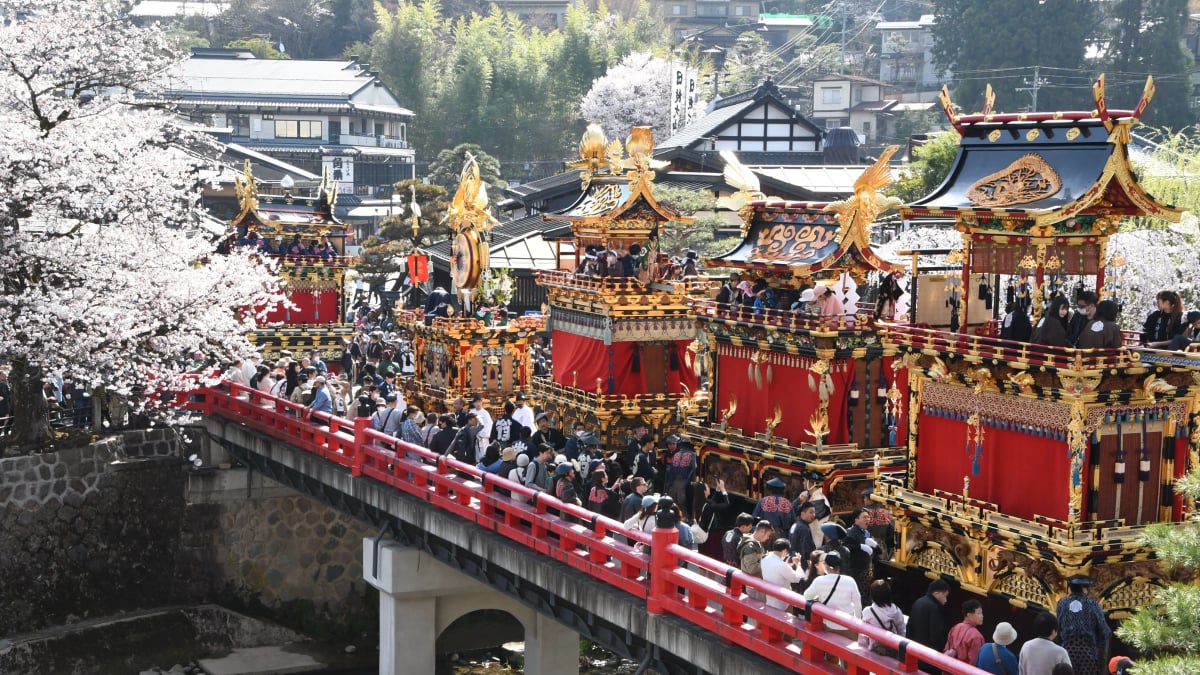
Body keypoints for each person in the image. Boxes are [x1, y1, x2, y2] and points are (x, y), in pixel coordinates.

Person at [1056, 576, 1111, 675]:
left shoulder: (1062, 603)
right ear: (1084, 589)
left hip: (1067, 654)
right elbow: (1104, 632)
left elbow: (1057, 631)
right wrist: (1101, 662)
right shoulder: (1093, 604)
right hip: (1088, 655)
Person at [800, 552, 861, 634]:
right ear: (839, 566)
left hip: (828, 624)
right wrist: (857, 623)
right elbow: (857, 603)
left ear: (826, 565)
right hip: (847, 624)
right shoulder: (850, 580)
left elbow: (807, 596)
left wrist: (818, 598)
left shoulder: (819, 580)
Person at [909, 578, 951, 671]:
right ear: (936, 593)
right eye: (945, 596)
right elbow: (936, 635)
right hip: (928, 657)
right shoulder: (934, 608)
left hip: (914, 652)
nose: (946, 600)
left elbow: (909, 628)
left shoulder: (918, 601)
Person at [859, 580, 906, 657]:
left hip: (874, 650)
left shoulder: (868, 611)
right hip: (892, 650)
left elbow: (863, 634)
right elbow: (902, 631)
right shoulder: (896, 611)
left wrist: (862, 648)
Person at [843, 507, 879, 595]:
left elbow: (878, 551)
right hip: (857, 571)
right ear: (856, 519)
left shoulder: (866, 533)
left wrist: (875, 546)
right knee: (860, 595)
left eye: (868, 517)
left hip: (868, 569)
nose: (867, 519)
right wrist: (859, 546)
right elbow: (846, 547)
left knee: (868, 594)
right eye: (864, 517)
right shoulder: (851, 532)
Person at [761, 539, 803, 610]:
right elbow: (797, 579)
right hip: (782, 601)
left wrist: (787, 566)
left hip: (769, 597)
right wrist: (798, 564)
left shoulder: (764, 559)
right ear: (784, 551)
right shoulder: (782, 565)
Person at [945, 599, 985, 666]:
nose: (982, 616)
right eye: (979, 613)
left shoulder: (955, 627)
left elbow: (946, 649)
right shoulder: (977, 636)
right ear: (969, 615)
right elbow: (974, 663)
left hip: (949, 667)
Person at [788, 502, 818, 573]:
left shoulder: (795, 525)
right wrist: (809, 564)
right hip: (802, 562)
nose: (813, 515)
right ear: (803, 514)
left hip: (793, 559)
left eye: (814, 512)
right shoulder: (804, 528)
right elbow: (806, 548)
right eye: (811, 512)